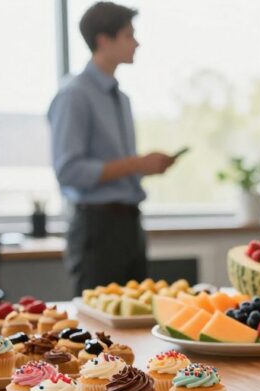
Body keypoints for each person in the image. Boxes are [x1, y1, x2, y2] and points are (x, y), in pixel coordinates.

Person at [48, 1, 177, 295]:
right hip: (97, 227)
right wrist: (135, 164)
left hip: (129, 224)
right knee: (96, 326)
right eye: (129, 35)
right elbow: (69, 171)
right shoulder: (74, 95)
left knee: (136, 319)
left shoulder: (121, 99)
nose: (137, 43)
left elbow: (117, 166)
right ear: (103, 40)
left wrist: (145, 167)